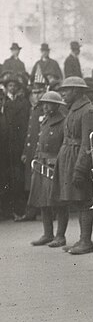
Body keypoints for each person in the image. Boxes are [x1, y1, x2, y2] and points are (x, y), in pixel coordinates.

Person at [51, 76, 93, 254]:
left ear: (77, 91)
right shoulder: (74, 109)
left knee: (84, 200)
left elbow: (88, 144)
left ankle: (86, 241)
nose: (63, 93)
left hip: (78, 159)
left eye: (66, 90)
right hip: (69, 158)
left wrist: (80, 168)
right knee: (78, 201)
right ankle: (82, 239)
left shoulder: (87, 111)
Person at [27, 91, 69, 247]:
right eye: (43, 103)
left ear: (57, 105)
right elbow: (40, 143)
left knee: (58, 202)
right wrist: (37, 159)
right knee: (43, 200)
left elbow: (65, 146)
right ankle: (47, 233)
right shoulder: (45, 121)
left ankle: (60, 236)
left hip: (55, 165)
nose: (44, 106)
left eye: (48, 103)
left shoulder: (63, 122)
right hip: (42, 164)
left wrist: (57, 161)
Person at [1, 75, 31, 220]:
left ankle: (20, 210)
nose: (12, 88)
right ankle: (9, 210)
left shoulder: (22, 103)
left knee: (18, 178)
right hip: (5, 147)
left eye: (14, 86)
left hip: (17, 145)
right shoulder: (4, 102)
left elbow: (24, 125)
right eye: (9, 86)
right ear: (6, 88)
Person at [20, 79, 49, 222]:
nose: (37, 95)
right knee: (31, 182)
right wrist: (25, 151)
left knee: (43, 181)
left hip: (42, 149)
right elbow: (29, 132)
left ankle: (46, 212)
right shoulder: (34, 108)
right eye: (34, 92)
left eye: (40, 92)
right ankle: (31, 211)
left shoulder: (47, 107)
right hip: (32, 150)